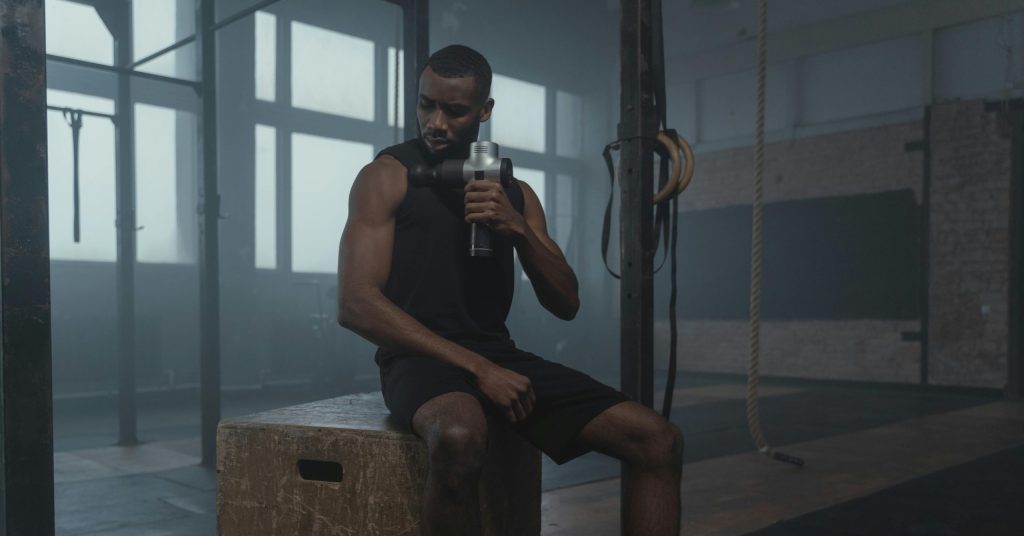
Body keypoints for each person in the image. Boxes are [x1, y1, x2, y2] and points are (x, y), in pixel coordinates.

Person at [337, 44, 682, 536]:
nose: (435, 122)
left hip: (498, 356)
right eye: (425, 104)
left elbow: (566, 303)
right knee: (458, 435)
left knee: (657, 440)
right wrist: (479, 369)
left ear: (485, 111)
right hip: (417, 360)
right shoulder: (386, 177)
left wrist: (517, 228)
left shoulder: (516, 194)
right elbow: (355, 305)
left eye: (453, 111)